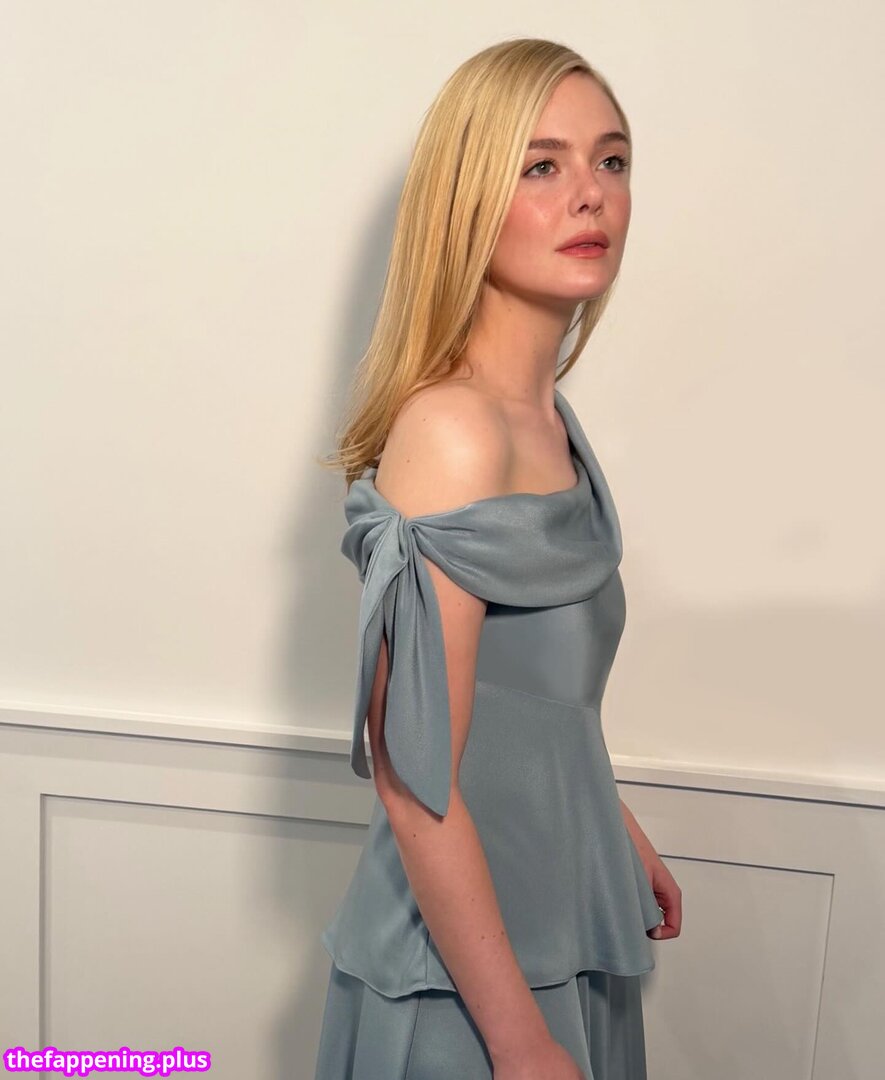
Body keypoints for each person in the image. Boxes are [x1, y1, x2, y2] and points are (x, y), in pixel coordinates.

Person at [313, 37, 682, 1080]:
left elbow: (526, 708)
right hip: (469, 984)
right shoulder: (455, 432)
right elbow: (412, 777)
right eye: (541, 165)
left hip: (556, 915)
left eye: (611, 160)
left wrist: (609, 829)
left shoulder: (549, 421)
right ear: (467, 200)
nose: (590, 194)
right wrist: (519, 1044)